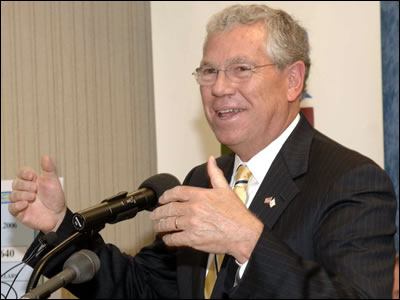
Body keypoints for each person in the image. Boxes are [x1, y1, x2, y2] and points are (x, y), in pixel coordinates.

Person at [9, 4, 397, 299]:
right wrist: (60, 226)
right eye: (208, 71)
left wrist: (248, 242)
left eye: (241, 69)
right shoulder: (203, 180)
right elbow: (141, 288)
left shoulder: (350, 181)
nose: (219, 87)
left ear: (293, 80)